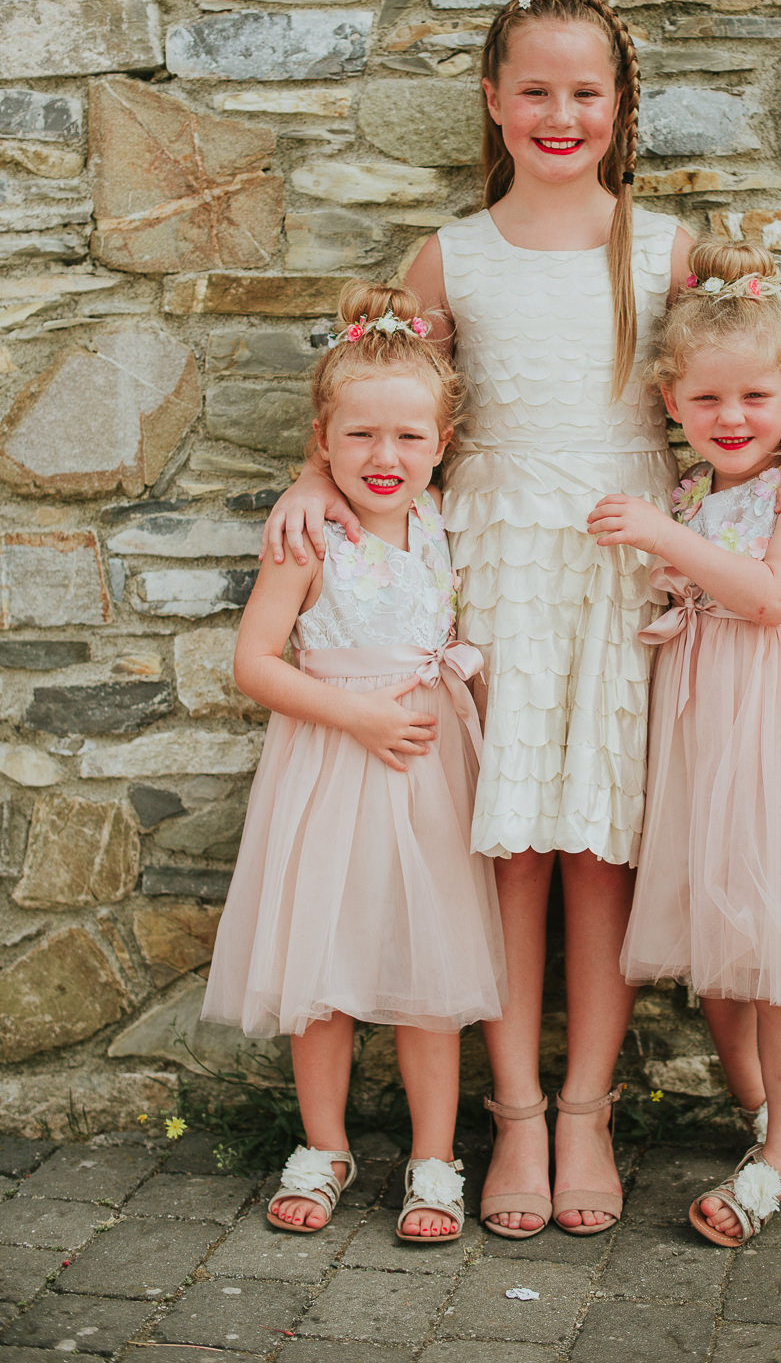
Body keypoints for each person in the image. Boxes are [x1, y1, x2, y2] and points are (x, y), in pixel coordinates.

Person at [263, 0, 781, 1239]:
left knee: (604, 843)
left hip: (626, 559)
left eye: (586, 93)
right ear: (491, 99)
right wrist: (315, 476)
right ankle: (516, 1113)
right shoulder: (451, 252)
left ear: (620, 110)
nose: (559, 114)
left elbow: (745, 366)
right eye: (533, 89)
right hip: (492, 566)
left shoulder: (664, 247)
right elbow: (381, 393)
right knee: (509, 841)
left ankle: (586, 1105)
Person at [588, 239, 781, 1247]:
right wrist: (674, 552)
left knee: (775, 955)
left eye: (758, 399)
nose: (733, 419)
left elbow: (768, 597)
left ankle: (774, 1158)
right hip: (705, 726)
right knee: (715, 947)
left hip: (778, 723)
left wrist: (661, 539)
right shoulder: (696, 490)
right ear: (673, 404)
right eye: (709, 401)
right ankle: (772, 1113)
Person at [202, 282, 505, 1244]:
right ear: (322, 443)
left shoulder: (444, 526)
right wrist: (359, 717)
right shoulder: (311, 536)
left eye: (409, 439)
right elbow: (254, 663)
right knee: (320, 960)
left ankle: (433, 1157)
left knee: (433, 968)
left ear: (443, 443)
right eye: (360, 437)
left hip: (428, 772)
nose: (386, 457)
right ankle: (324, 1144)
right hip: (333, 764)